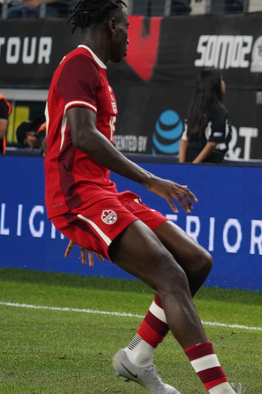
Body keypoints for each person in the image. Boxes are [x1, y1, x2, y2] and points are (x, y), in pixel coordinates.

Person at [44, 1, 239, 393]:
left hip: (101, 192)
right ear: (113, 26)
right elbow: (81, 136)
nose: (131, 36)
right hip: (81, 196)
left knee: (196, 262)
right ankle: (219, 390)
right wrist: (150, 179)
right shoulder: (79, 65)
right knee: (170, 276)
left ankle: (136, 358)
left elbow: (70, 141)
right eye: (128, 28)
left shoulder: (94, 72)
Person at [179, 68, 232, 164]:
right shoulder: (219, 112)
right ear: (215, 85)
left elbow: (184, 139)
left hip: (193, 160)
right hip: (208, 163)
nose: (223, 83)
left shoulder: (194, 109)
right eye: (221, 80)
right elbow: (211, 144)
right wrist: (193, 165)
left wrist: (183, 165)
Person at [7, 0, 72, 18]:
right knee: (12, 11)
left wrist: (39, 1)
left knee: (27, 12)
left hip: (58, 9)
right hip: (31, 7)